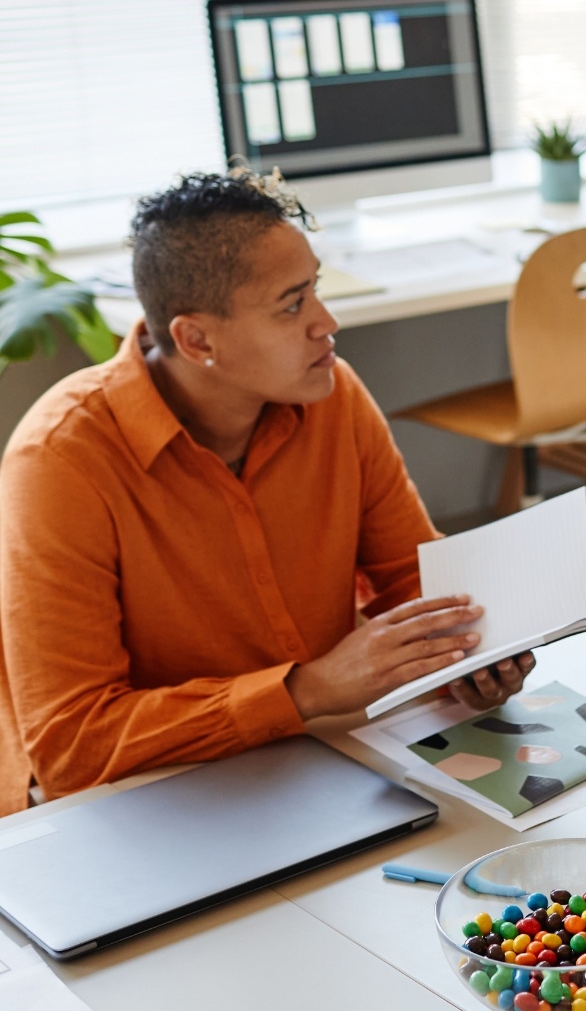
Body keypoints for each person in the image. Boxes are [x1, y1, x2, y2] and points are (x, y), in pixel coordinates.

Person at [0, 169, 534, 814]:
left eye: (316, 290)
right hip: (152, 801)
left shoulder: (334, 396)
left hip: (320, 764)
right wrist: (304, 690)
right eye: (292, 304)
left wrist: (469, 658)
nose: (327, 323)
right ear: (197, 340)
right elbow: (73, 749)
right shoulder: (60, 460)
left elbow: (411, 579)